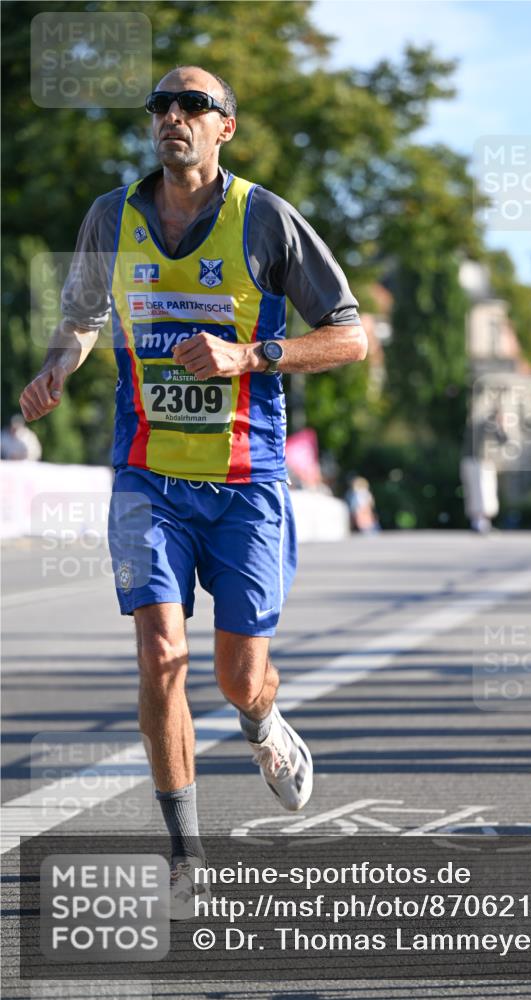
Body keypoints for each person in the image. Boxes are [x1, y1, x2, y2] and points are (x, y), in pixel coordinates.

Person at [19, 66, 367, 915]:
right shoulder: (114, 214)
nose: (173, 117)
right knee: (160, 654)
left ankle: (260, 724)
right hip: (147, 474)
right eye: (162, 107)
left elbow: (350, 337)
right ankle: (185, 856)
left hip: (246, 479)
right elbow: (82, 314)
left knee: (240, 674)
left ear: (225, 129)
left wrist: (249, 356)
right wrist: (58, 365)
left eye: (194, 107)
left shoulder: (266, 219)